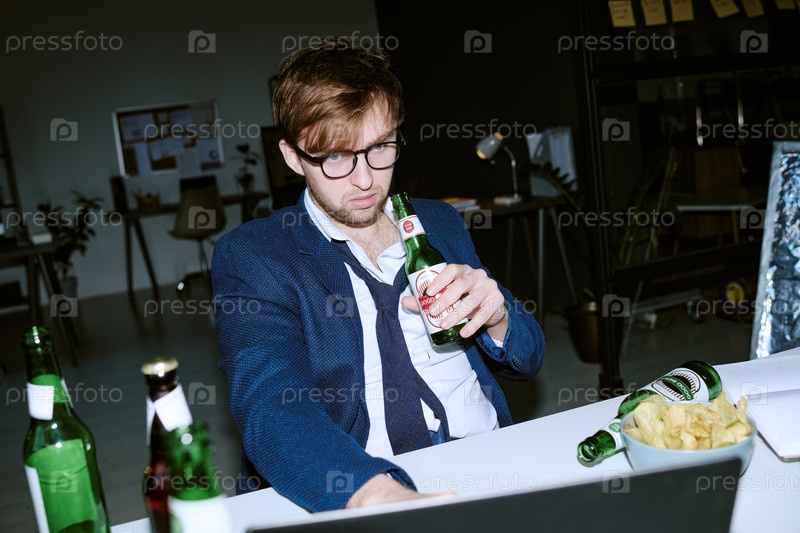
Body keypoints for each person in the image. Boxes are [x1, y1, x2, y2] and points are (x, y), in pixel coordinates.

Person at [212, 35, 545, 513]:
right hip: (360, 485)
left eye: (380, 147)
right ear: (292, 157)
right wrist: (379, 497)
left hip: (486, 458)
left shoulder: (438, 221)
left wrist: (498, 317)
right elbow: (272, 410)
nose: (365, 179)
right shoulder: (256, 255)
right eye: (334, 157)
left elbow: (528, 358)